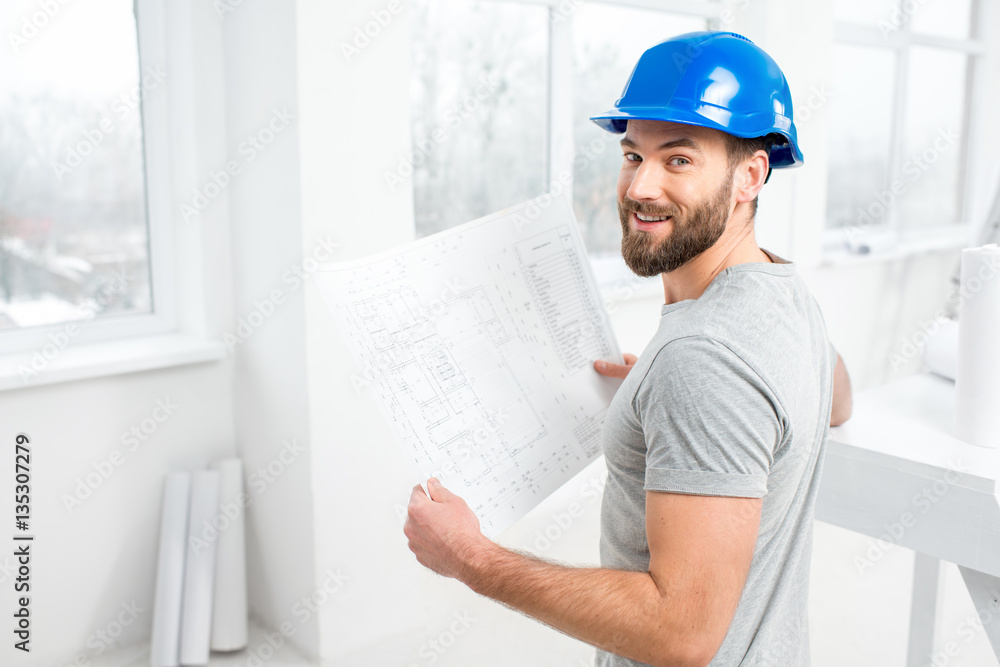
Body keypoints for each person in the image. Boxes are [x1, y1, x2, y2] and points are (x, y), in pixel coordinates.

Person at [404, 31, 853, 666]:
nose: (641, 187)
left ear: (751, 174)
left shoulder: (704, 360)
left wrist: (470, 558)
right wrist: (688, 400)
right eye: (632, 154)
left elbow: (681, 633)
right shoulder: (784, 291)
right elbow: (836, 398)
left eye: (678, 160)